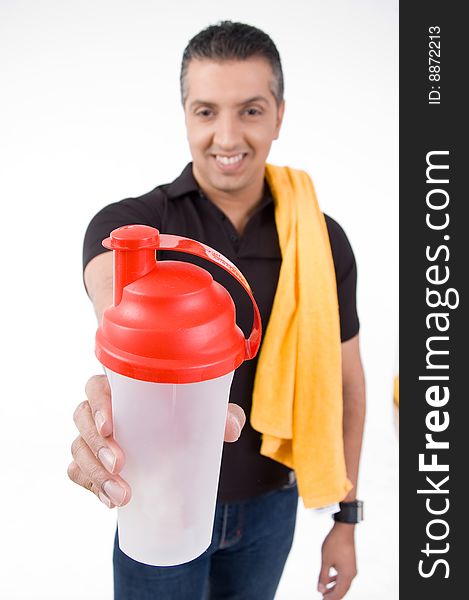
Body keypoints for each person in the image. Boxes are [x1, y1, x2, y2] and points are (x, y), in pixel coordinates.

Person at [68, 21, 366, 600]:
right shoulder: (142, 231)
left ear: (279, 114)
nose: (227, 136)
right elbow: (112, 285)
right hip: (157, 504)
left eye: (250, 110)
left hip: (270, 505)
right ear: (184, 115)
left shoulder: (322, 242)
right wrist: (129, 336)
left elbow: (347, 383)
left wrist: (346, 520)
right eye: (206, 111)